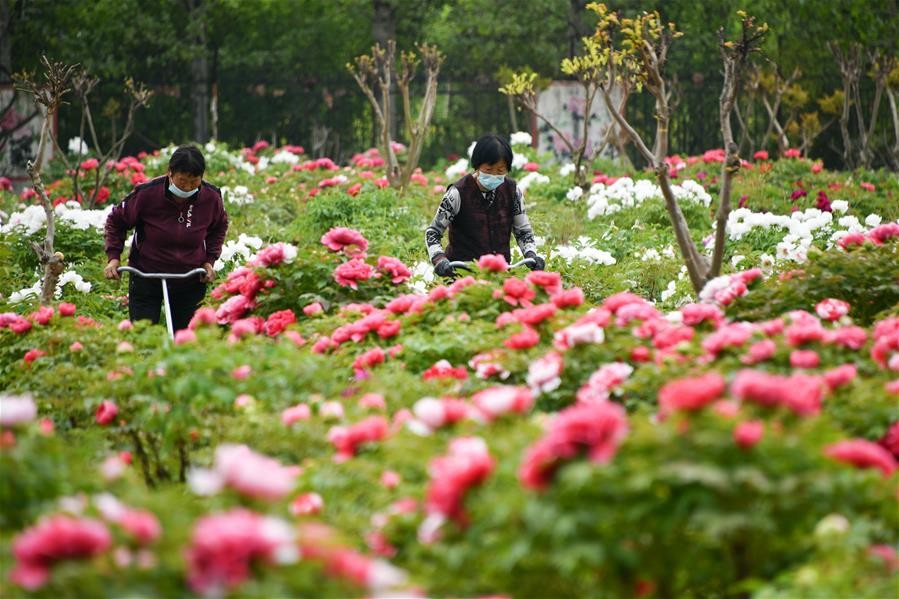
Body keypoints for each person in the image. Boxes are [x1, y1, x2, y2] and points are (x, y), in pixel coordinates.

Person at [103, 145, 229, 331]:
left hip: (190, 279)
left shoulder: (210, 197)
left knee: (187, 341)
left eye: (194, 182)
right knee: (144, 337)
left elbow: (219, 226)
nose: (187, 187)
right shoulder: (147, 193)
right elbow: (116, 221)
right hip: (146, 276)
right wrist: (114, 258)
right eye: (182, 181)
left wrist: (209, 261)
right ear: (170, 173)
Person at [425, 133, 544, 277]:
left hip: (500, 275)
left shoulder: (513, 192)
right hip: (461, 276)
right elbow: (433, 232)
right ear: (477, 166)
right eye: (488, 170)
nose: (494, 175)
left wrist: (532, 255)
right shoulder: (457, 193)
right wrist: (439, 259)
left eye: (500, 170)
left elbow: (523, 232)